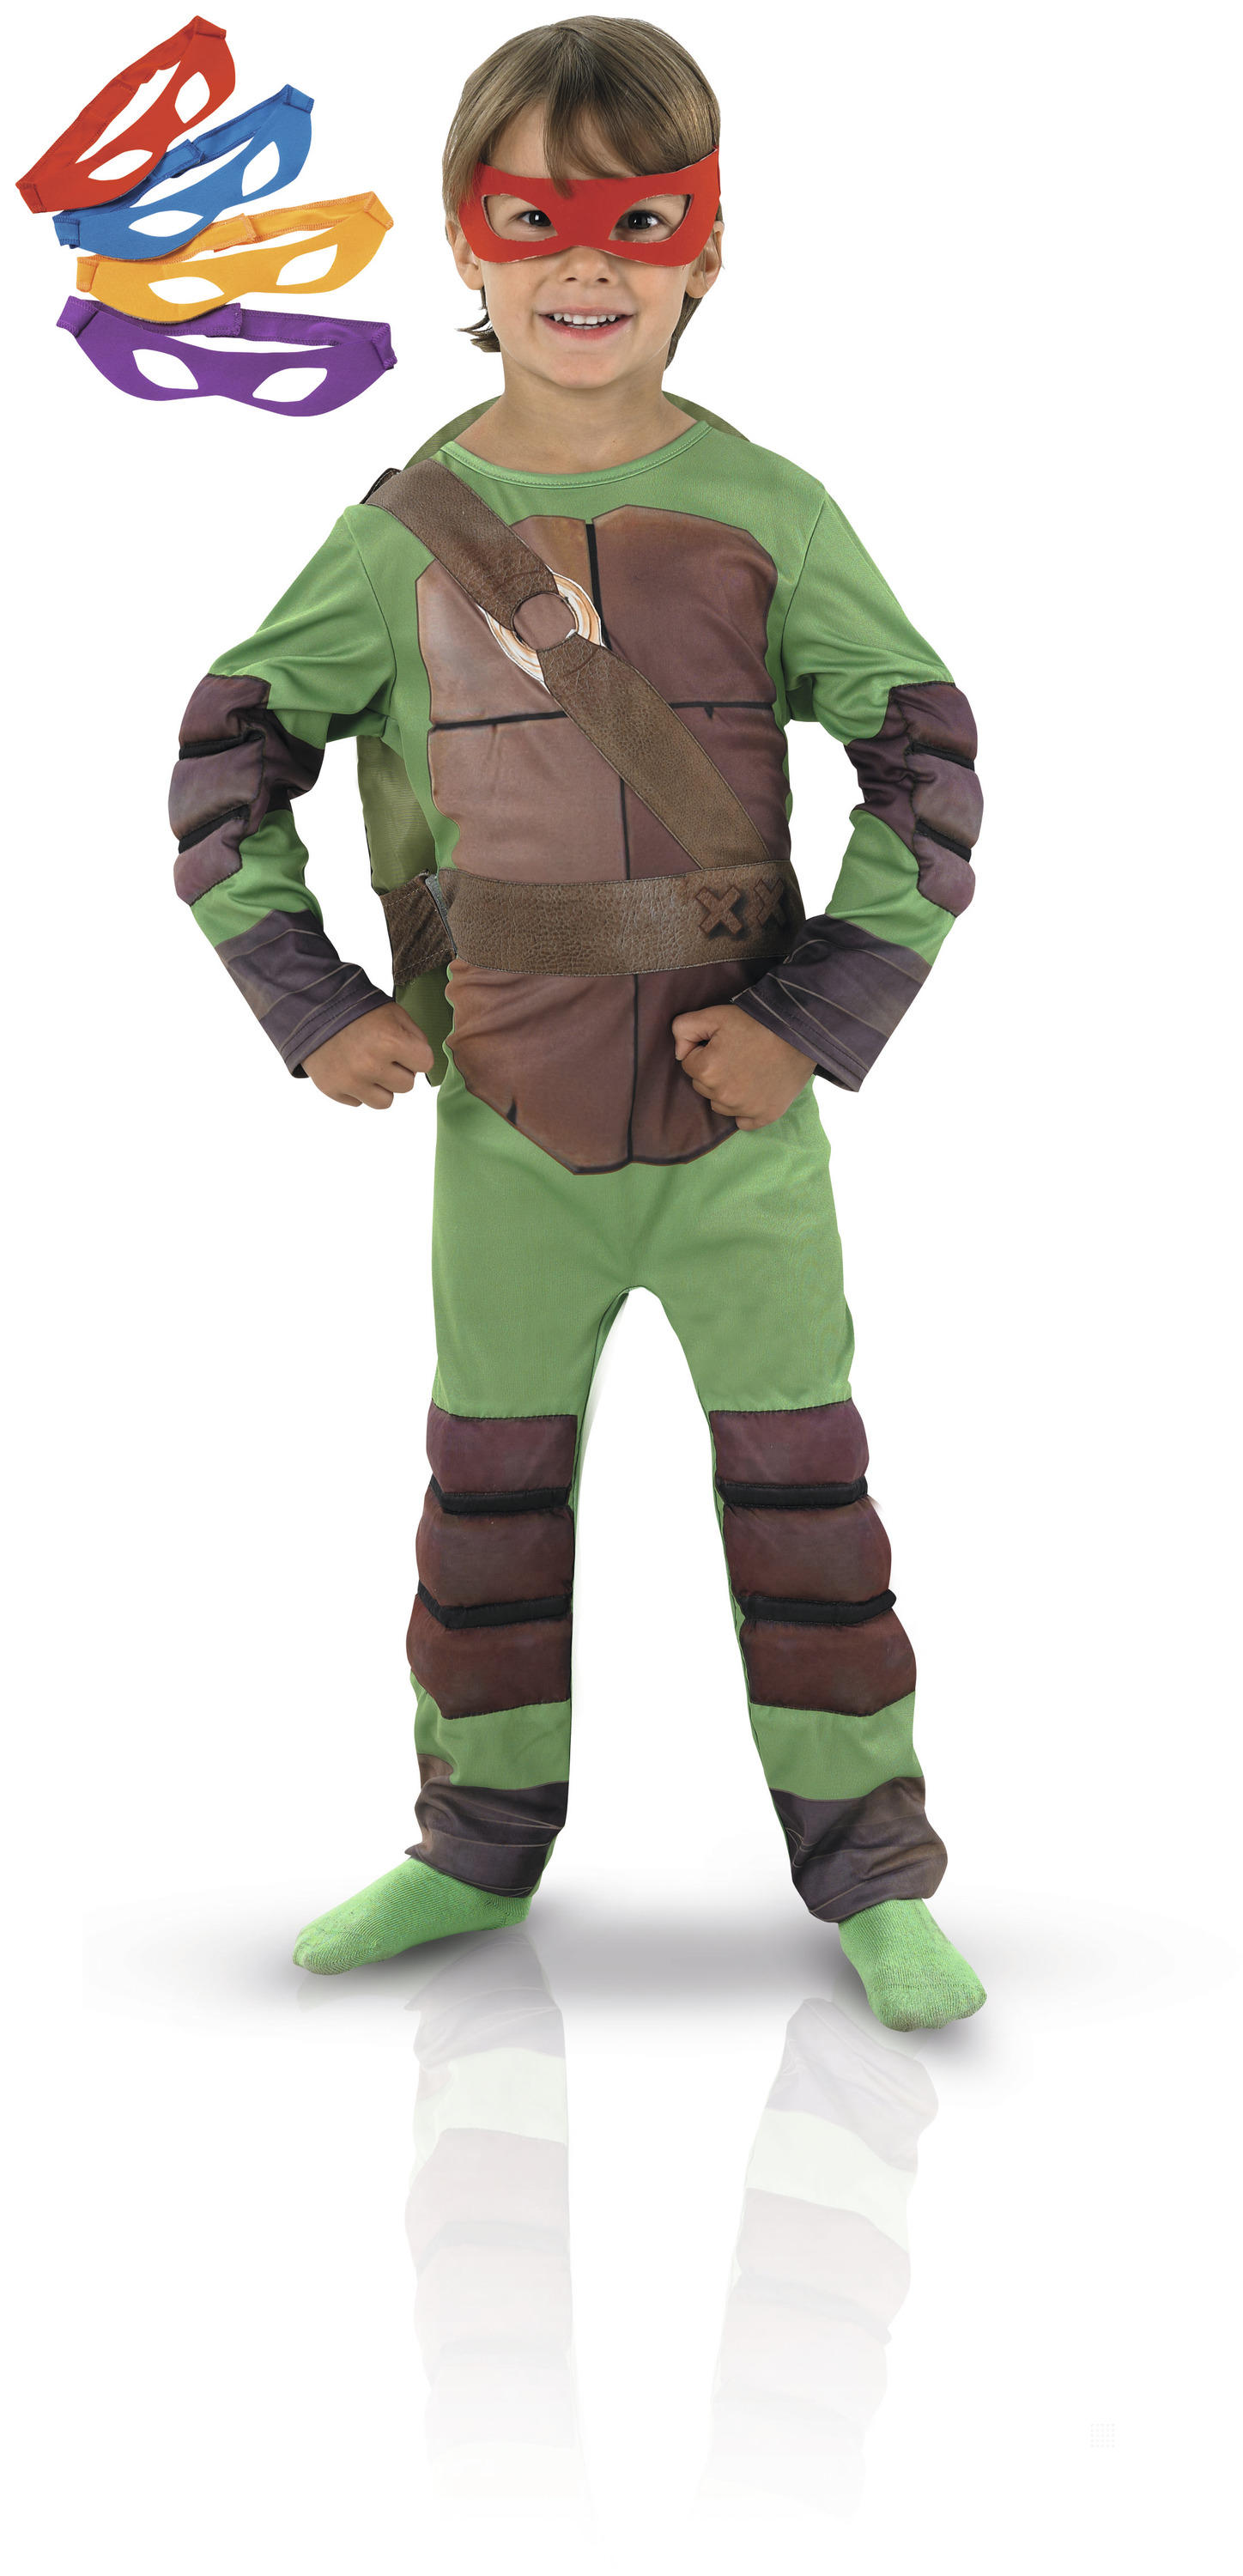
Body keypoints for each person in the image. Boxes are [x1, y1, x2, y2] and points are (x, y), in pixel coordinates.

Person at [169, 16, 985, 2030]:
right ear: (468, 245)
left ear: (706, 244)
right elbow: (228, 752)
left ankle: (872, 1867)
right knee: (487, 1504)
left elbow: (927, 762)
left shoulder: (776, 512)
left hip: (743, 1134)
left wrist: (813, 1017)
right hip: (505, 1134)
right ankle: (473, 1845)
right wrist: (309, 1004)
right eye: (533, 219)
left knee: (804, 1500)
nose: (586, 263)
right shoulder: (400, 534)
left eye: (638, 217)